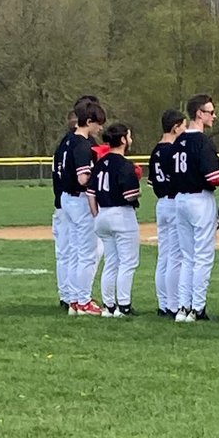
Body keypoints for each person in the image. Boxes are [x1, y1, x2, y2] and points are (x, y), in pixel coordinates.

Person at [171, 94, 219, 323]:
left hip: (180, 199)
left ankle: (183, 307)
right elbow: (213, 178)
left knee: (187, 256)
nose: (214, 116)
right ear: (199, 113)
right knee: (202, 256)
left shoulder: (178, 140)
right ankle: (197, 308)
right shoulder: (203, 141)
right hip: (199, 200)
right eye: (210, 112)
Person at [58, 97, 106, 316]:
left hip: (67, 200)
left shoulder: (68, 141)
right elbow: (83, 179)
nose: (100, 127)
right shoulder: (82, 145)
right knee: (87, 253)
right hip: (79, 200)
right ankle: (83, 300)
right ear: (88, 121)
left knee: (76, 252)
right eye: (97, 122)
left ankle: (74, 300)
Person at [88, 122, 142, 317]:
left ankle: (109, 306)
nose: (131, 139)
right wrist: (139, 190)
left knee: (111, 261)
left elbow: (90, 193)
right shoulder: (125, 165)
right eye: (128, 136)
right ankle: (124, 306)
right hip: (122, 214)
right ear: (122, 140)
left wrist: (96, 215)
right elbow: (131, 195)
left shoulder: (100, 162)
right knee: (128, 262)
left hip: (102, 214)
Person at [147, 109, 185, 317]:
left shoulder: (156, 150)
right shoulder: (174, 150)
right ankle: (173, 303)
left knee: (164, 256)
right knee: (176, 256)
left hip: (161, 203)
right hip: (174, 201)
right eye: (183, 126)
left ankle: (163, 303)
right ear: (175, 127)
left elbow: (152, 182)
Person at [51, 108, 80, 309]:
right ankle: (77, 297)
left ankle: (67, 295)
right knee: (82, 252)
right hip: (74, 202)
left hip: (61, 202)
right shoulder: (80, 144)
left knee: (64, 253)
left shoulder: (63, 144)